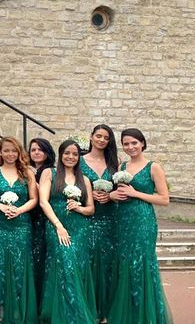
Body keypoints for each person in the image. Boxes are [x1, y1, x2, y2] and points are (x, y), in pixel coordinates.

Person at [107, 129, 173, 324]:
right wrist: (111, 196)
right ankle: (128, 314)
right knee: (124, 263)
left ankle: (146, 315)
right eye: (126, 144)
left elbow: (164, 199)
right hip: (122, 220)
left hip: (143, 222)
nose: (130, 147)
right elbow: (116, 192)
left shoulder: (154, 167)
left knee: (142, 263)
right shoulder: (122, 166)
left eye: (134, 143)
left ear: (143, 143)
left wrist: (136, 194)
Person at [38, 139, 96, 324]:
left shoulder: (84, 179)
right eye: (67, 153)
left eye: (75, 154)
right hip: (57, 227)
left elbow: (91, 209)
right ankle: (66, 315)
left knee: (75, 268)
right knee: (64, 264)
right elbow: (43, 201)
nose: (70, 157)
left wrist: (79, 208)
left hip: (79, 229)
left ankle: (73, 314)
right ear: (61, 154)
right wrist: (58, 226)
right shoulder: (50, 173)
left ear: (79, 157)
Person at [0, 137, 38, 324]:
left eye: (13, 151)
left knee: (19, 266)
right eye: (6, 150)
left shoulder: (27, 172)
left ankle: (19, 313)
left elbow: (34, 199)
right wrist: (2, 207)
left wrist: (19, 210)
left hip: (21, 225)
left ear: (19, 152)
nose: (10, 154)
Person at [80, 124, 119, 322]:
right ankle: (90, 310)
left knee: (108, 263)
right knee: (89, 261)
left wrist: (111, 196)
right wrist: (88, 194)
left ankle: (106, 311)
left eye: (106, 137)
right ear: (91, 137)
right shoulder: (79, 161)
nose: (102, 140)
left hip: (110, 218)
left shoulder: (115, 163)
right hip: (87, 218)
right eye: (99, 136)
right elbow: (71, 183)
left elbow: (123, 189)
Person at [27, 137, 55, 304]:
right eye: (33, 150)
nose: (36, 152)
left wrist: (32, 178)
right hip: (28, 218)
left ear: (47, 152)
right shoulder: (23, 169)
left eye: (40, 149)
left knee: (43, 258)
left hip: (44, 218)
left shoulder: (52, 171)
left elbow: (48, 197)